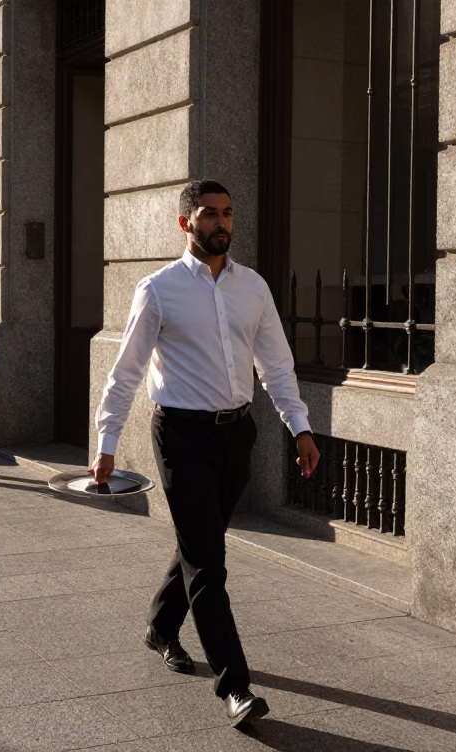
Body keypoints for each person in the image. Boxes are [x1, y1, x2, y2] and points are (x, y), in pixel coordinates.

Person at [90, 179, 321, 728]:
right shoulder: (158, 289)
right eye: (210, 214)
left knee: (201, 544)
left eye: (228, 213)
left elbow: (276, 366)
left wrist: (300, 428)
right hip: (181, 436)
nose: (222, 223)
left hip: (237, 435)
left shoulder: (253, 287)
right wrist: (106, 442)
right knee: (209, 562)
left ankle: (160, 627)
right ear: (185, 222)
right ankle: (234, 686)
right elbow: (126, 372)